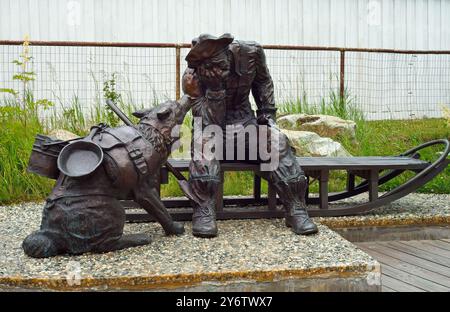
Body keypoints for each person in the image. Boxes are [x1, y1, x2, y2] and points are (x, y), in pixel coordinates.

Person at [182, 33, 318, 238]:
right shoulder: (192, 77)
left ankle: (296, 209)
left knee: (277, 142)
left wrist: (267, 115)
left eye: (220, 64)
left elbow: (264, 82)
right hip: (213, 130)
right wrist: (216, 88)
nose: (219, 71)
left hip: (246, 125)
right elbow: (210, 123)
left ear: (227, 51)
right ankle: (204, 210)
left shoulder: (252, 52)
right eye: (211, 68)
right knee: (204, 146)